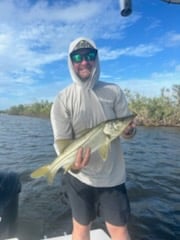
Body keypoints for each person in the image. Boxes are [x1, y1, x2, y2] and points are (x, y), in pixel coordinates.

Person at [50, 37, 136, 240]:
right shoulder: (62, 99)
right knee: (80, 228)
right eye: (77, 57)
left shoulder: (114, 91)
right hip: (79, 178)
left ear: (96, 59)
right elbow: (61, 141)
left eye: (90, 56)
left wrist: (128, 131)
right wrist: (74, 166)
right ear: (70, 62)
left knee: (119, 230)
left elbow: (128, 130)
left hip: (113, 177)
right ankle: (52, 170)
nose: (84, 62)